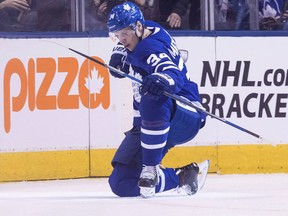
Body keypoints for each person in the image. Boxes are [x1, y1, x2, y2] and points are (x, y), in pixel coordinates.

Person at [106, 2, 208, 198]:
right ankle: (183, 176)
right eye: (117, 35)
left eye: (124, 34)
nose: (122, 39)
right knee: (121, 182)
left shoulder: (149, 49)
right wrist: (119, 51)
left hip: (183, 111)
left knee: (151, 94)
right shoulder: (146, 28)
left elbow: (173, 74)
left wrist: (162, 80)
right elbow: (137, 36)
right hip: (155, 117)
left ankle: (150, 168)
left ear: (137, 27)